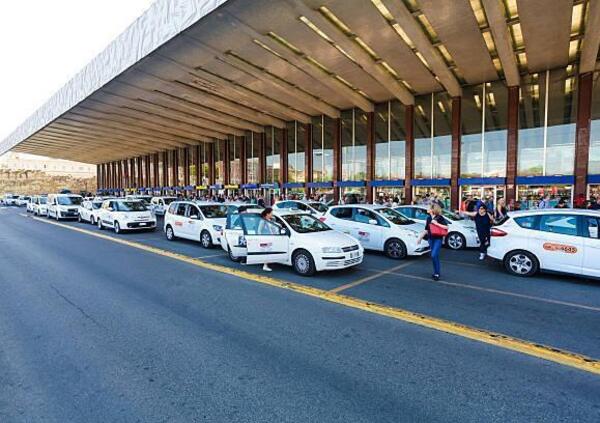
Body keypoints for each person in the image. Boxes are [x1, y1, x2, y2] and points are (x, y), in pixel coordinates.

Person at [417, 204, 448, 281]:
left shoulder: (439, 217)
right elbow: (426, 229)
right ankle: (436, 273)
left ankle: (437, 273)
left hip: (438, 239)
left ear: (433, 210)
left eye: (429, 208)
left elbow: (446, 227)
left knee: (433, 255)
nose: (427, 209)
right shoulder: (428, 218)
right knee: (435, 257)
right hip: (430, 239)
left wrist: (436, 223)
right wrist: (420, 238)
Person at [258, 207, 279, 272]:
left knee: (270, 251)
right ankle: (265, 265)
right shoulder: (263, 221)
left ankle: (268, 263)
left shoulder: (271, 219)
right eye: (271, 213)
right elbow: (259, 230)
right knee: (267, 251)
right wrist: (261, 238)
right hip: (266, 238)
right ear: (267, 214)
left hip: (272, 238)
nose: (272, 214)